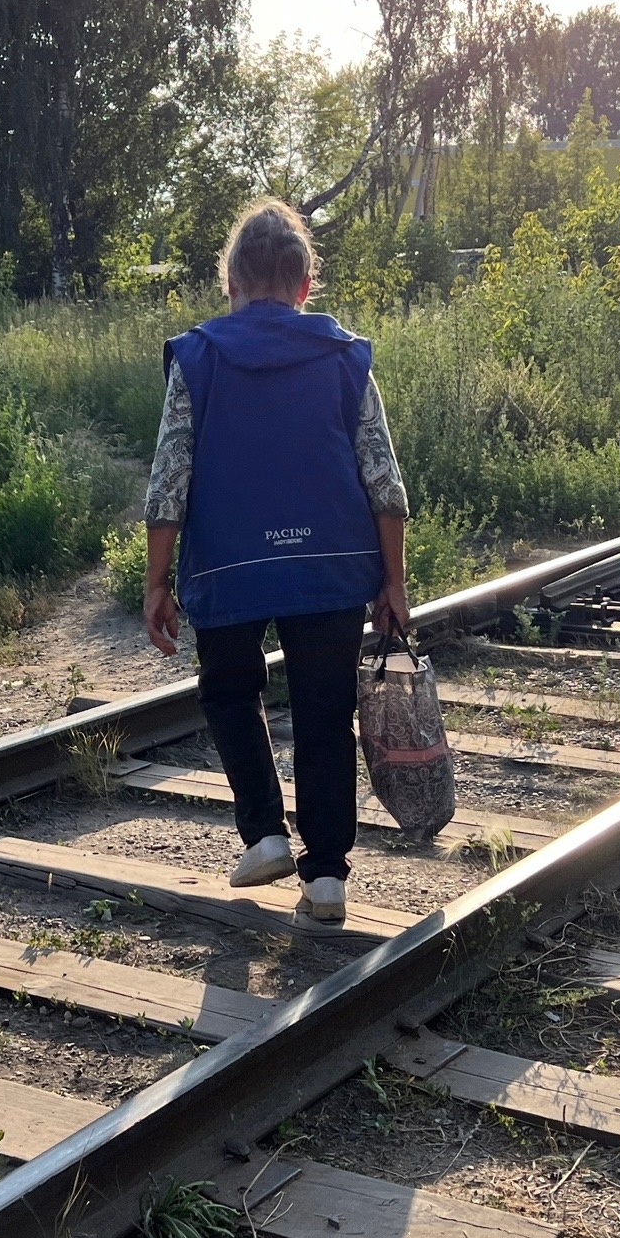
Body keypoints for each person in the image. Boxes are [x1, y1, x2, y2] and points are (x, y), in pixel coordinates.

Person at [141, 199, 411, 925]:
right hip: (329, 565)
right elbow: (383, 480)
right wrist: (394, 581)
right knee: (326, 713)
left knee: (230, 691)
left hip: (227, 567)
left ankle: (263, 834)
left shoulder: (198, 358)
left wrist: (156, 582)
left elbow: (170, 478)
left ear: (229, 280)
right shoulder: (345, 356)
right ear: (305, 284)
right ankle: (326, 878)